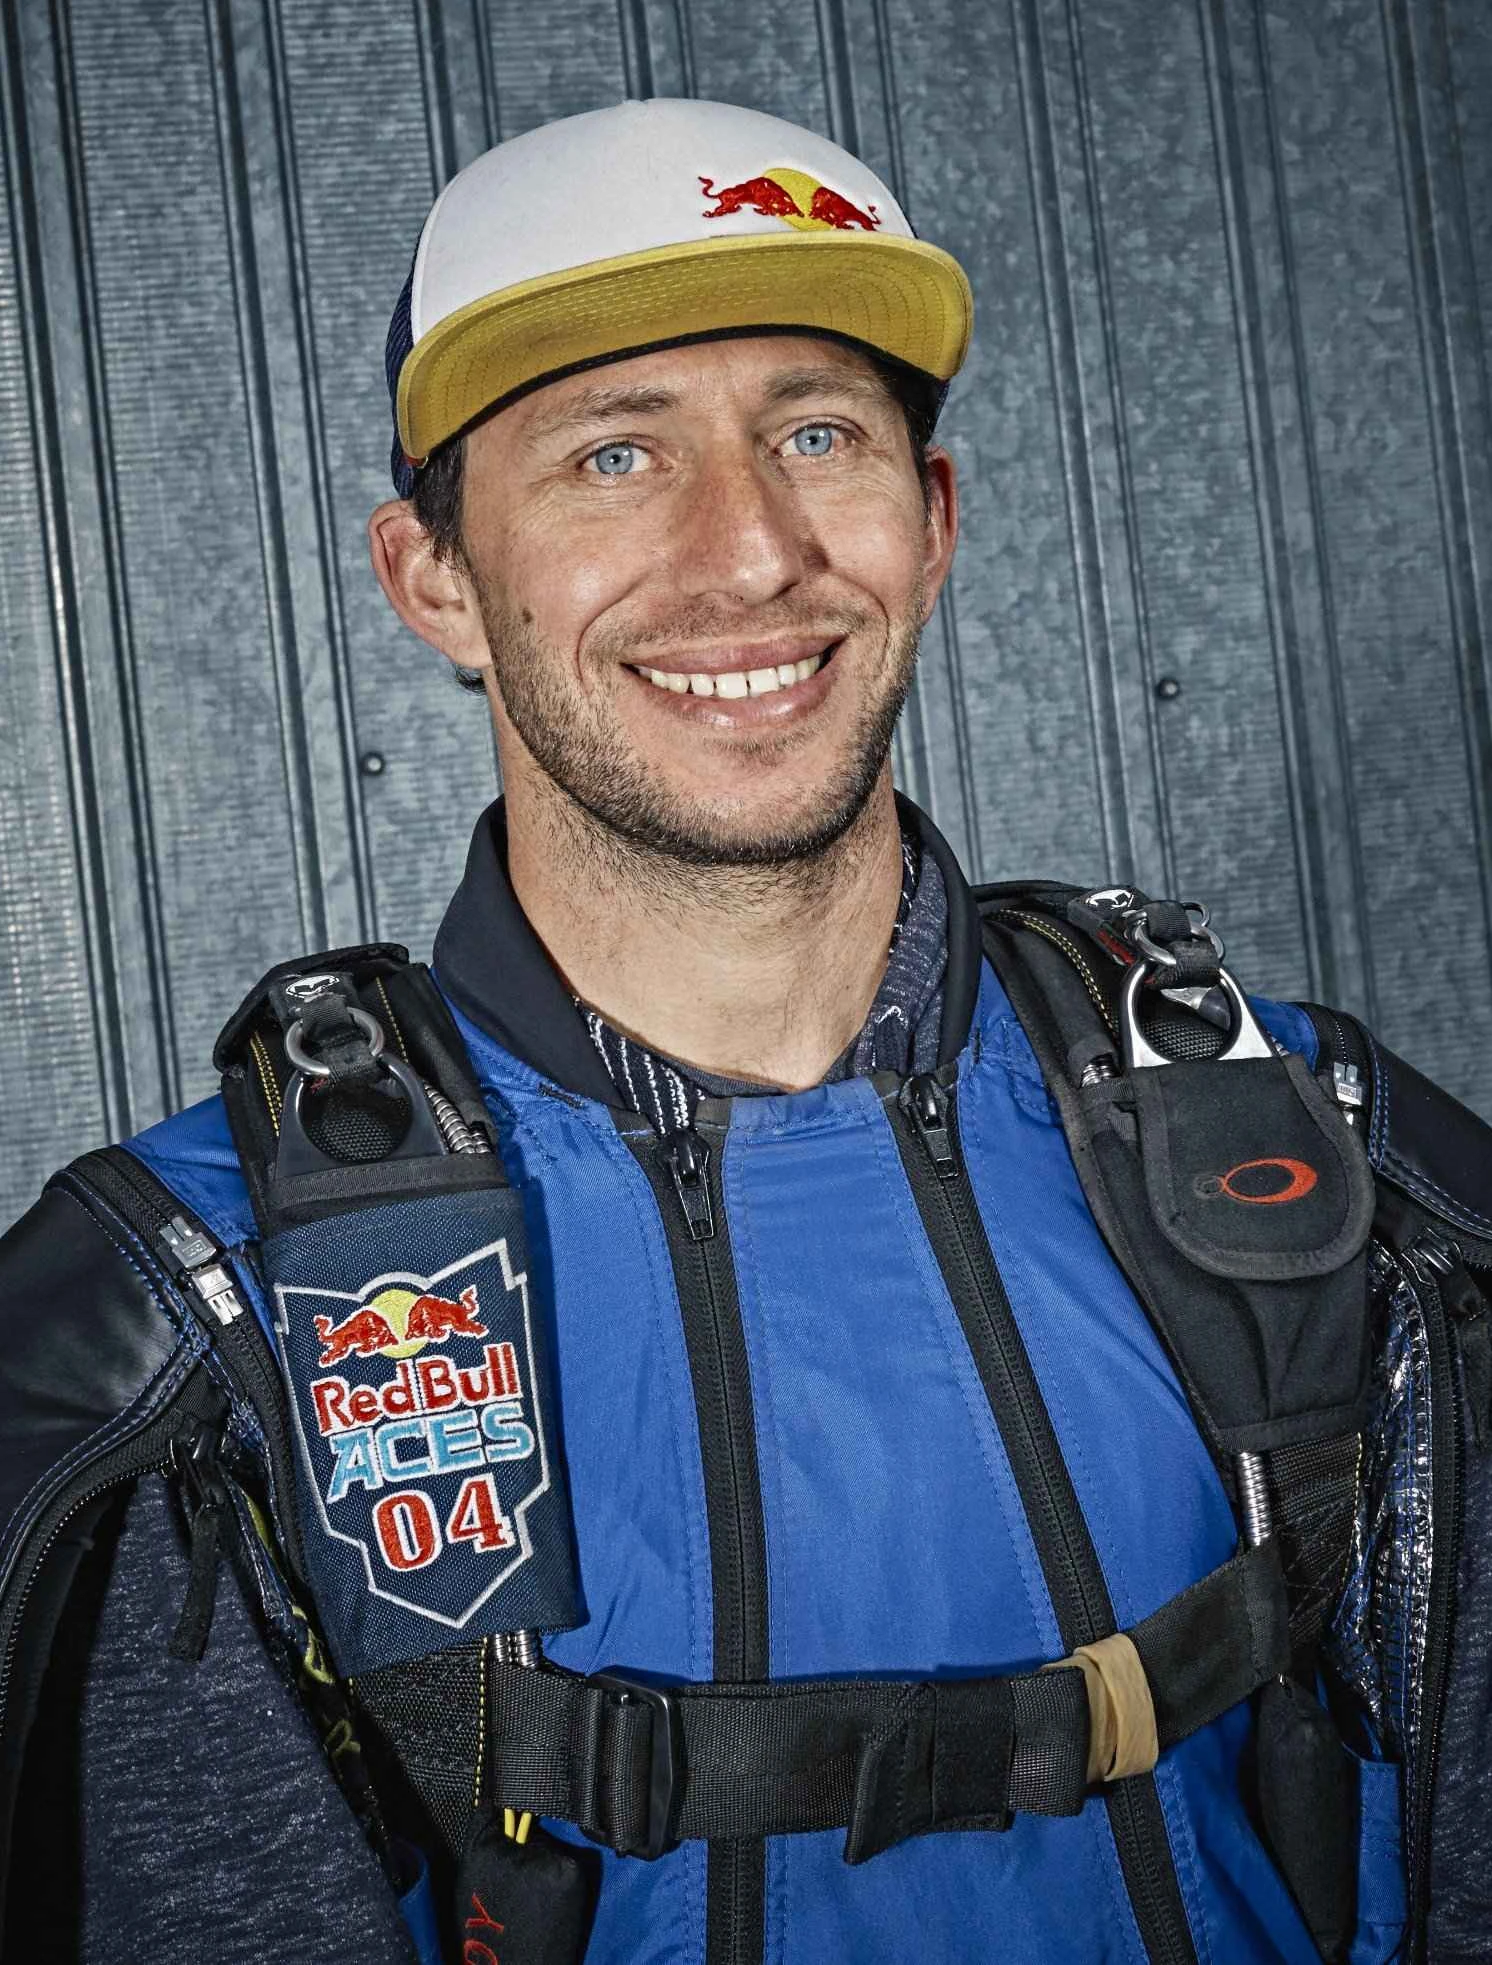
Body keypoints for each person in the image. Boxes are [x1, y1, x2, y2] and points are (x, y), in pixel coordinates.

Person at [0, 95, 1488, 1965]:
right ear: (434, 579)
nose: (753, 550)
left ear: (932, 522)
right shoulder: (202, 1316)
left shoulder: (1309, 1155)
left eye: (817, 432)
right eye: (614, 454)